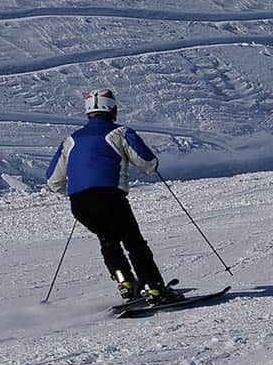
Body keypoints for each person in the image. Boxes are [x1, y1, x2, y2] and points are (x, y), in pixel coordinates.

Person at [46, 90, 178, 305]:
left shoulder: (70, 140)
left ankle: (126, 284)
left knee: (108, 241)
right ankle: (154, 289)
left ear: (88, 112)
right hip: (109, 198)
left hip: (79, 203)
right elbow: (146, 162)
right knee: (133, 242)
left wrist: (77, 191)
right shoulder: (120, 133)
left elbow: (53, 180)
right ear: (112, 109)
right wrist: (151, 167)